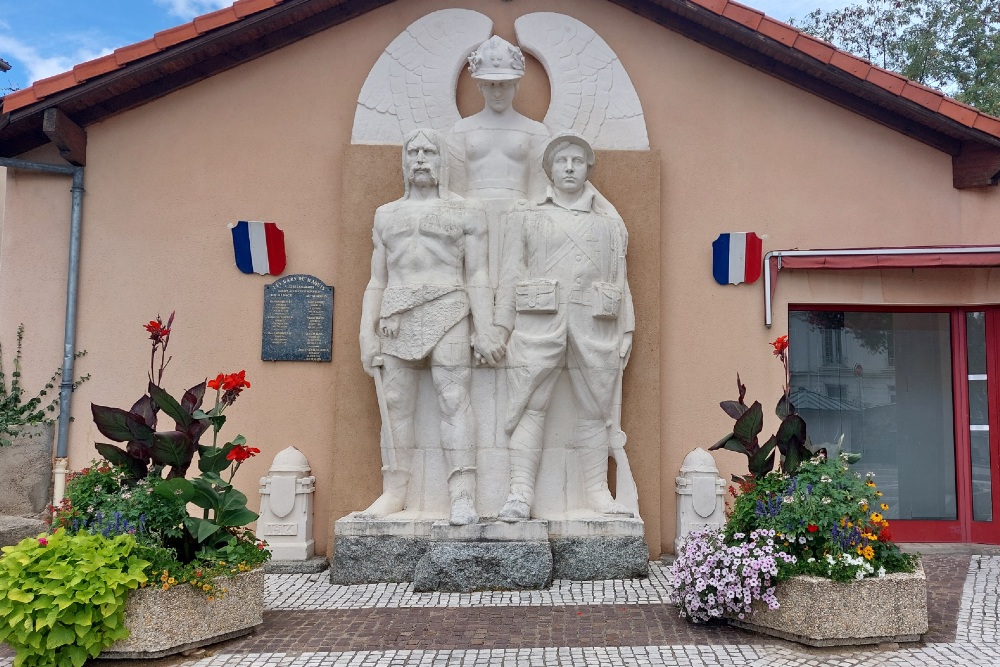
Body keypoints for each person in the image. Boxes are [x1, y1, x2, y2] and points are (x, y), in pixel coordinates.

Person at [359, 128, 505, 526]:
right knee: (395, 405)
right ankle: (395, 492)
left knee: (454, 398)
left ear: (442, 161)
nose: (421, 158)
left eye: (429, 151)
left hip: (449, 307)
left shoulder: (464, 211)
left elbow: (476, 272)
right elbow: (377, 279)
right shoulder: (386, 214)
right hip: (395, 316)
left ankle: (462, 495)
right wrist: (365, 333)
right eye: (413, 151)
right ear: (404, 161)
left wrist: (486, 327)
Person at [495, 132, 635, 521]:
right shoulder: (528, 216)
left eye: (577, 160)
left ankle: (597, 493)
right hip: (538, 323)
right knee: (529, 407)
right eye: (562, 161)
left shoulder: (608, 223)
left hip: (594, 325)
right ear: (550, 170)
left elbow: (620, 278)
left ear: (588, 168)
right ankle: (519, 494)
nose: (570, 167)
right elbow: (510, 274)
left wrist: (626, 329)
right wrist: (499, 328)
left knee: (596, 409)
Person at [448, 35, 549, 203]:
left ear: (516, 85)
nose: (497, 93)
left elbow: (542, 188)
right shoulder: (460, 130)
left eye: (504, 84)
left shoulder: (536, 132)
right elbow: (452, 187)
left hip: (520, 213)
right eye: (490, 85)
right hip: (471, 216)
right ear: (480, 86)